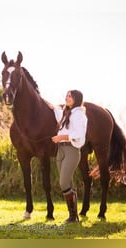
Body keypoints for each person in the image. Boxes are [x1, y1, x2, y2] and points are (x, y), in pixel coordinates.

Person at [47, 90, 87, 223]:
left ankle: (73, 215)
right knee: (68, 182)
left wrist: (61, 137)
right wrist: (44, 101)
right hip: (61, 150)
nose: (67, 98)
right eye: (66, 95)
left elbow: (79, 134)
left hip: (71, 150)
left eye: (70, 96)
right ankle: (73, 216)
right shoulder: (66, 113)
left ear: (76, 99)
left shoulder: (79, 115)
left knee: (63, 182)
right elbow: (56, 110)